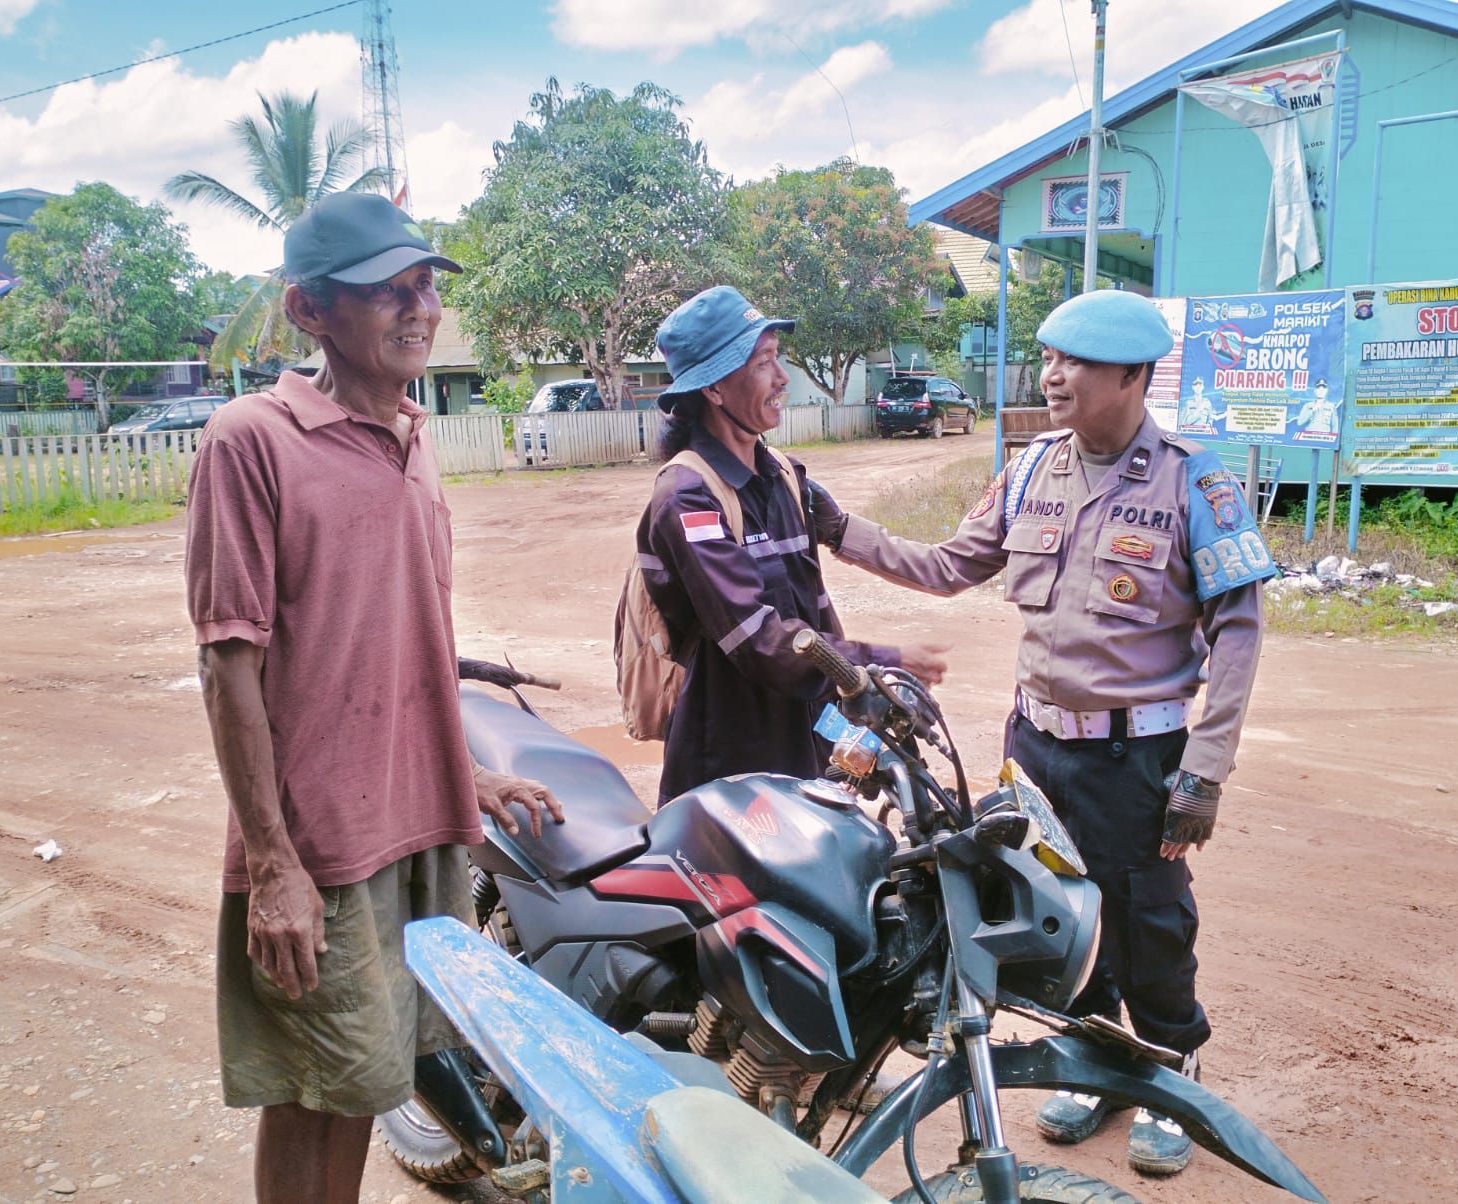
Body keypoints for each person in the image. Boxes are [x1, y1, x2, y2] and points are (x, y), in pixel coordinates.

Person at [805, 289, 1278, 1177]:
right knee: (1058, 918)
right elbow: (950, 565)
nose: (1052, 377)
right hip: (1035, 746)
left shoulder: (1193, 481)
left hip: (1137, 755)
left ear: (1132, 376)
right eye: (1050, 358)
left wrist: (1204, 772)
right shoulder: (1032, 471)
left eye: (1075, 363)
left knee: (1147, 919)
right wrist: (841, 530)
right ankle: (1101, 1068)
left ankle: (1171, 1070)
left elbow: (1240, 633)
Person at [185, 192, 563, 1204]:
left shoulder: (413, 434)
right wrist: (273, 864)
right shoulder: (249, 441)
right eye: (386, 291)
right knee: (308, 1095)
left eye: (425, 286)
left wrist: (464, 773)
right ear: (308, 310)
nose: (419, 308)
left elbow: (400, 639)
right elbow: (228, 665)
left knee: (366, 1079)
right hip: (319, 845)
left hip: (415, 828)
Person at [637, 285, 948, 805]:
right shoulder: (687, 497)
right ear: (714, 390)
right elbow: (760, 641)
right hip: (732, 759)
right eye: (763, 363)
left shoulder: (784, 475)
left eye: (777, 358)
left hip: (805, 735)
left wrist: (859, 719)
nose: (782, 377)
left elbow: (833, 586)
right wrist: (885, 660)